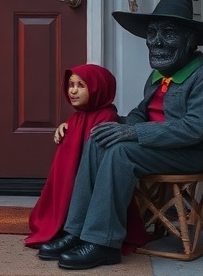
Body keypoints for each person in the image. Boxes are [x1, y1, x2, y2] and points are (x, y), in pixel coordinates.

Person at [37, 0, 203, 270]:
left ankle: (103, 243)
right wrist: (117, 123)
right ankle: (75, 230)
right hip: (156, 146)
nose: (158, 42)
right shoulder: (159, 74)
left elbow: (193, 128)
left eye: (169, 33)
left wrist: (133, 132)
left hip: (186, 153)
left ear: (190, 41)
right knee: (100, 137)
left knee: (120, 151)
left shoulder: (200, 74)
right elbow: (142, 111)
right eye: (153, 33)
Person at [25, 63, 148, 252]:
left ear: (98, 87)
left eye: (81, 86)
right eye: (71, 85)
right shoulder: (75, 118)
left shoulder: (107, 117)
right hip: (73, 184)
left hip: (93, 184)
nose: (73, 91)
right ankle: (67, 226)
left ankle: (83, 232)